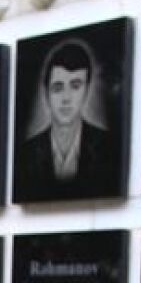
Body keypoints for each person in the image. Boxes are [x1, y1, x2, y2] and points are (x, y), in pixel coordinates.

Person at [16, 39, 118, 199]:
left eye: (75, 86)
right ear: (46, 92)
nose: (66, 98)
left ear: (86, 90)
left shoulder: (109, 148)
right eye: (58, 88)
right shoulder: (24, 154)